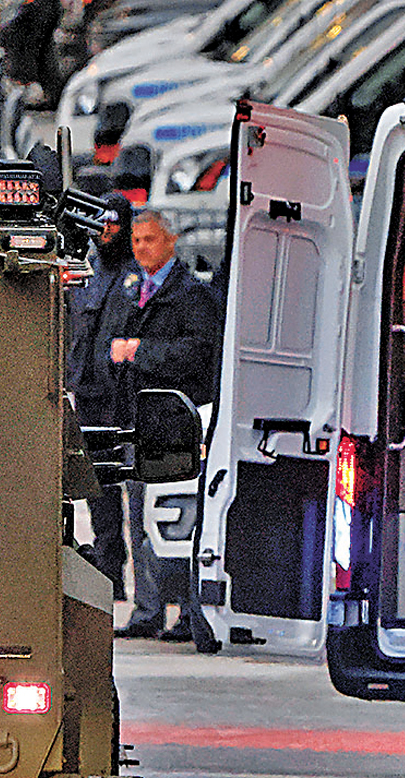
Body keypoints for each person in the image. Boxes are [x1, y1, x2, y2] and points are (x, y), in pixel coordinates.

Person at [103, 210, 222, 652]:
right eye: (136, 240)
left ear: (171, 241)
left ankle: (190, 611)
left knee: (181, 521)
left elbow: (197, 352)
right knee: (138, 520)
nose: (140, 247)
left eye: (149, 239)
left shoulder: (192, 294)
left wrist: (140, 351)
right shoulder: (131, 289)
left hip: (175, 423)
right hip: (137, 420)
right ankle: (148, 610)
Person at [66, 192, 134, 600]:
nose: (106, 230)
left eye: (114, 223)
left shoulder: (135, 274)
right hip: (88, 395)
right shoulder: (85, 271)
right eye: (101, 223)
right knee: (100, 492)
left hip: (123, 396)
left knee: (135, 492)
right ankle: (110, 575)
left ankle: (141, 582)